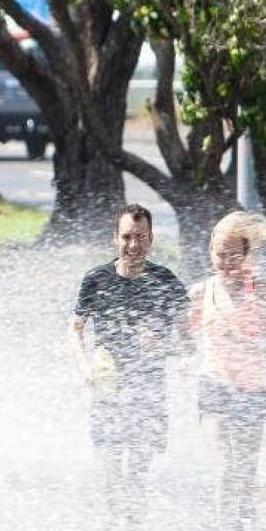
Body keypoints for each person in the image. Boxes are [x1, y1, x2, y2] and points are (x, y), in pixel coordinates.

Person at [70, 204, 189, 502]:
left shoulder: (166, 282)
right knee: (110, 467)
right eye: (126, 237)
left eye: (141, 236)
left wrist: (163, 342)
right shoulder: (95, 280)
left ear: (151, 238)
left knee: (137, 472)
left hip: (148, 389)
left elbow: (188, 340)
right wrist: (85, 366)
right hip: (107, 385)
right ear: (115, 238)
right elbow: (75, 329)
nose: (133, 245)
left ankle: (133, 529)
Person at [187, 210, 266, 527]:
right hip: (214, 386)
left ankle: (247, 527)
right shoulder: (201, 293)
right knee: (224, 469)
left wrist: (247, 332)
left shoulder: (259, 289)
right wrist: (184, 357)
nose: (226, 263)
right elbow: (185, 335)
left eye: (234, 256)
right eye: (220, 255)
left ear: (248, 256)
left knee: (246, 472)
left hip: (251, 388)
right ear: (211, 252)